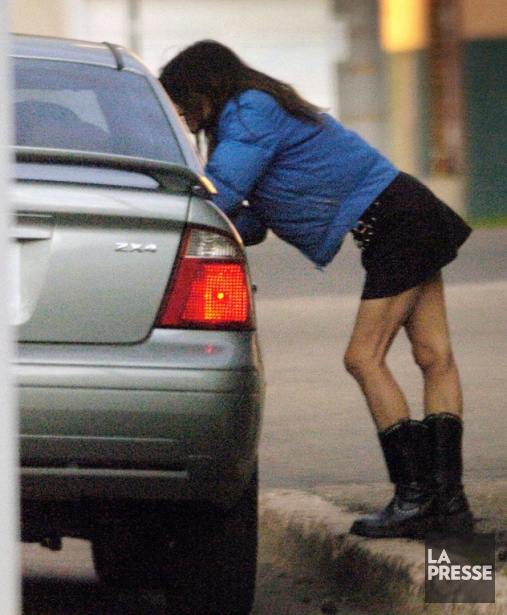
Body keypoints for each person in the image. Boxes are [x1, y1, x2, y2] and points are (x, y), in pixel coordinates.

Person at [160, 40, 473, 539]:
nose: (180, 115)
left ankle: (416, 498)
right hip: (403, 214)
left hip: (397, 221)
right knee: (434, 356)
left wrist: (168, 191)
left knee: (363, 358)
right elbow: (253, 216)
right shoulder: (250, 113)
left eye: (180, 103)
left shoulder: (248, 112)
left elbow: (222, 190)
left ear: (203, 88)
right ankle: (448, 505)